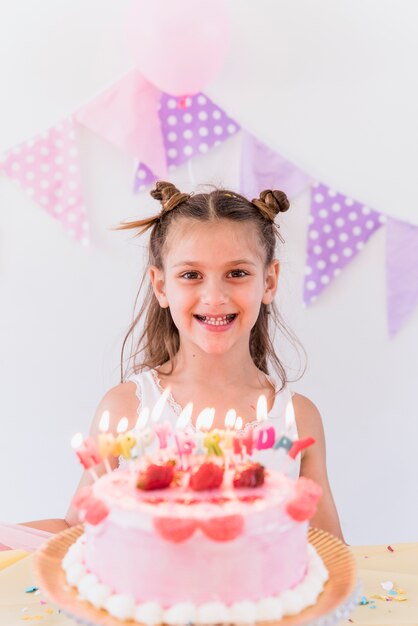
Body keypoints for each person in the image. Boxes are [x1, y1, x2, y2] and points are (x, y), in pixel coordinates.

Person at [17, 181, 343, 543]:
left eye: (237, 273)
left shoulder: (297, 419)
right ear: (160, 286)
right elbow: (77, 531)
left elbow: (331, 551)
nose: (214, 296)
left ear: (269, 281)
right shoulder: (126, 409)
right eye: (191, 275)